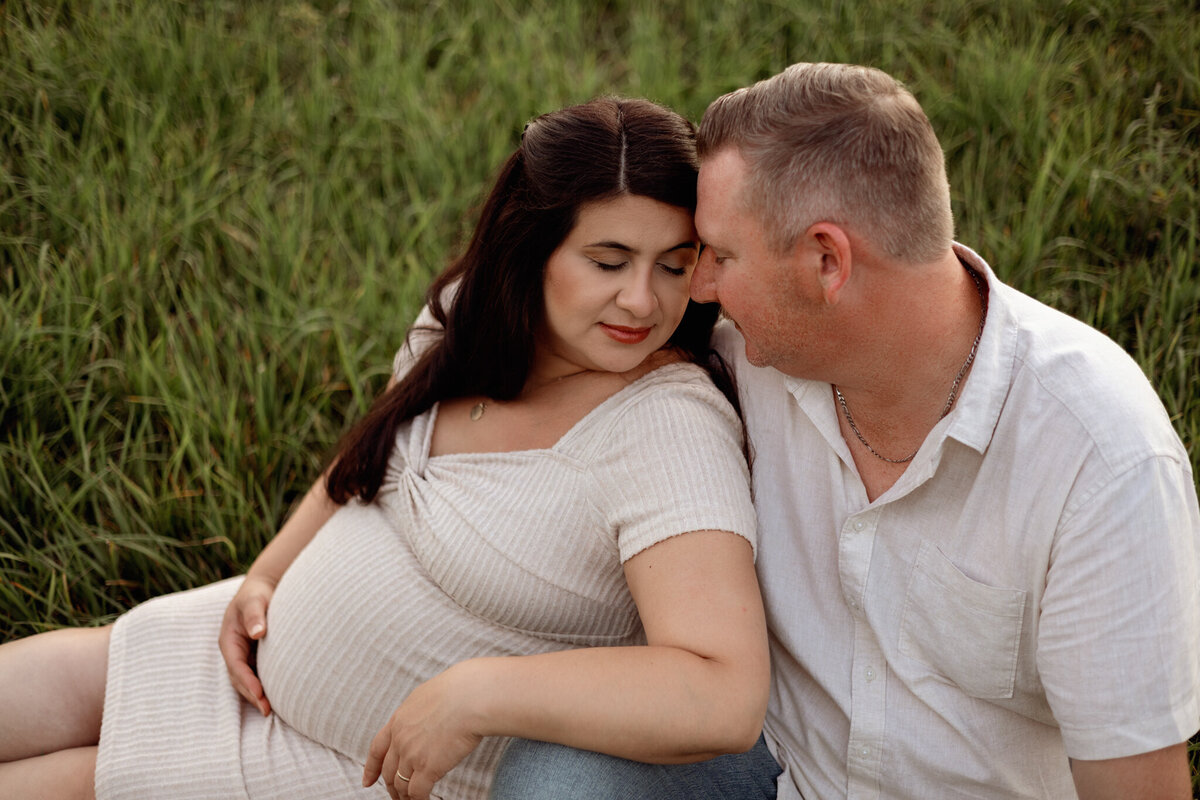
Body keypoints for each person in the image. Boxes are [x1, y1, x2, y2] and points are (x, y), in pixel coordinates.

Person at [0, 97, 772, 800]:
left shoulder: (668, 431)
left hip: (362, 769)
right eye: (608, 262)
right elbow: (371, 459)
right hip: (233, 660)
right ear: (527, 249)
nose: (643, 301)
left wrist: (478, 694)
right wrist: (268, 573)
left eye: (674, 266)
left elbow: (721, 694)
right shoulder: (474, 322)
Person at [490, 64, 1200, 799]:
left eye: (723, 257)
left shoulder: (1101, 459)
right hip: (778, 778)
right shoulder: (749, 362)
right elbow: (540, 336)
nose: (699, 289)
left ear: (827, 261)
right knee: (555, 776)